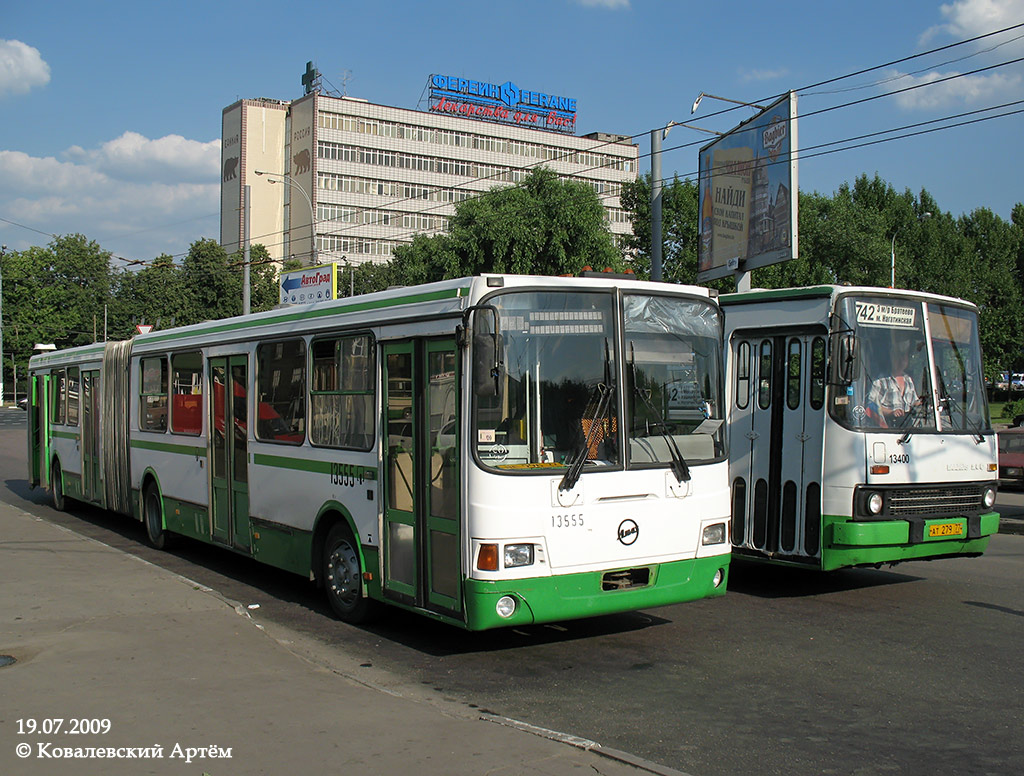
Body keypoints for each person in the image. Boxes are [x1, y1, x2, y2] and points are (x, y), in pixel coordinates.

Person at [867, 339, 920, 427]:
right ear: (891, 358)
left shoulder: (908, 380)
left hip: (908, 430)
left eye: (904, 356)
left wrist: (922, 402)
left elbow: (914, 402)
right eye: (898, 356)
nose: (901, 360)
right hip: (889, 430)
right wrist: (891, 412)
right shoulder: (881, 380)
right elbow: (871, 406)